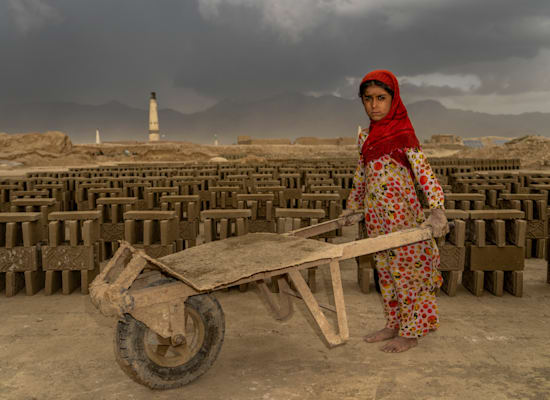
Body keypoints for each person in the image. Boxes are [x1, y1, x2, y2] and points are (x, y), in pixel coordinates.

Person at [341, 69, 449, 353]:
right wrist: (353, 207)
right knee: (385, 271)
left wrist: (436, 208)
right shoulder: (366, 137)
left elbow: (424, 171)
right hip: (376, 219)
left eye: (381, 98)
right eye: (368, 99)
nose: (374, 105)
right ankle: (393, 323)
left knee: (408, 273)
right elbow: (361, 174)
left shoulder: (403, 132)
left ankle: (410, 332)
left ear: (394, 99)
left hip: (404, 218)